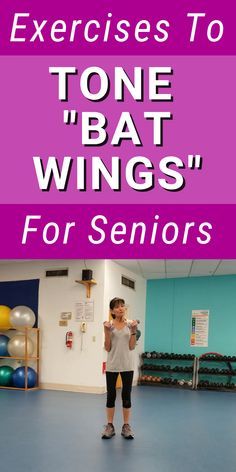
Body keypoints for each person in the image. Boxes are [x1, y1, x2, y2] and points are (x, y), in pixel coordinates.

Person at [102, 297, 138, 439]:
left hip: (127, 365)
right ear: (112, 310)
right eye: (117, 306)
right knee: (111, 396)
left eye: (122, 305)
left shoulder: (130, 325)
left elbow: (131, 346)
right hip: (112, 365)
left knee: (126, 396)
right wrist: (106, 332)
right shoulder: (109, 325)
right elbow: (107, 347)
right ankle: (110, 426)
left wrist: (134, 331)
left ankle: (126, 426)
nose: (120, 308)